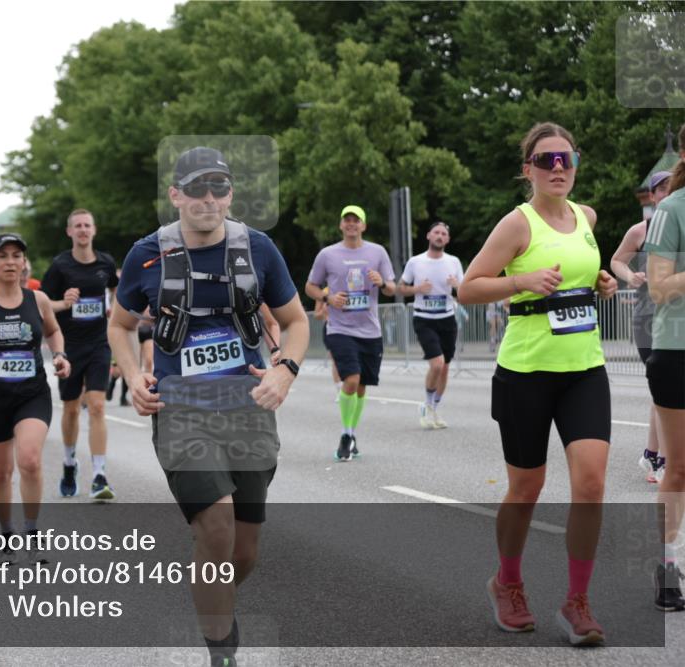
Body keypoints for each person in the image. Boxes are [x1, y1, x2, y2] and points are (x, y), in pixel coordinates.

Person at [109, 146, 309, 667]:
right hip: (181, 411)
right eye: (196, 188)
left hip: (247, 408)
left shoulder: (258, 249)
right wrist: (132, 375)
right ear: (175, 195)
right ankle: (222, 652)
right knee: (216, 527)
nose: (208, 198)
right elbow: (120, 324)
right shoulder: (146, 255)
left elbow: (296, 321)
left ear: (230, 194)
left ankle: (210, 595)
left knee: (243, 551)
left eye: (219, 187)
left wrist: (285, 371)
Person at [458, 122, 618, 645]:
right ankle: (507, 582)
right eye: (546, 160)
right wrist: (520, 281)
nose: (558, 168)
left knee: (591, 485)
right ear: (528, 169)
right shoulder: (516, 224)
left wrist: (600, 281)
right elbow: (469, 288)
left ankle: (577, 602)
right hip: (526, 374)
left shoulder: (586, 217)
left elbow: (581, 272)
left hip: (584, 369)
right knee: (527, 489)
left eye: (567, 159)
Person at [0, 233, 70, 563]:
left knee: (30, 460)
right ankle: (6, 535)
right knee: (0, 473)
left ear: (24, 263)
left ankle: (32, 534)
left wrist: (60, 354)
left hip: (31, 394)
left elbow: (52, 331)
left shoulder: (38, 300)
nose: (10, 261)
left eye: (16, 255)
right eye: (2, 256)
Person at [305, 204, 396, 460]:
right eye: (347, 220)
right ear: (341, 225)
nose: (351, 224)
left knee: (362, 386)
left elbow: (392, 288)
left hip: (370, 330)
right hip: (340, 328)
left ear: (363, 225)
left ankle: (352, 433)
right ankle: (346, 434)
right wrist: (328, 297)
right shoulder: (327, 254)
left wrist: (382, 283)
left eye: (356, 220)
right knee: (352, 379)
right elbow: (310, 287)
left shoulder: (377, 252)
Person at [42, 209, 120, 500]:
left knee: (97, 406)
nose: (83, 230)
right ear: (70, 232)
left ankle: (99, 475)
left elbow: (117, 290)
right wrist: (64, 303)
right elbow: (42, 303)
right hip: (69, 346)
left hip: (99, 343)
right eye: (78, 226)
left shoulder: (105, 262)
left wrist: (115, 314)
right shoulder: (60, 266)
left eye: (87, 225)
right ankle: (69, 462)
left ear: (94, 230)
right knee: (72, 409)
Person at [611, 170, 673, 484]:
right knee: (666, 387)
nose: (667, 193)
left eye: (672, 187)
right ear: (651, 196)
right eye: (661, 189)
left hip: (676, 318)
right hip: (649, 319)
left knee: (666, 388)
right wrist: (630, 276)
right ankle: (661, 460)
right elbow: (617, 260)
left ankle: (652, 455)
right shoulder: (642, 230)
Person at [644, 154, 685, 611]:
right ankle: (668, 564)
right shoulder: (672, 209)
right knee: (679, 467)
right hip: (678, 350)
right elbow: (658, 287)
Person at [398, 221, 465, 429]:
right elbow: (400, 288)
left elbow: (465, 291)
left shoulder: (453, 261)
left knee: (444, 368)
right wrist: (418, 289)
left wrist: (457, 286)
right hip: (424, 318)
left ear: (448, 239)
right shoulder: (415, 262)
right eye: (436, 232)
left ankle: (434, 408)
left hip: (447, 318)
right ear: (428, 235)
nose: (439, 236)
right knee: (436, 363)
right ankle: (427, 406)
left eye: (444, 234)